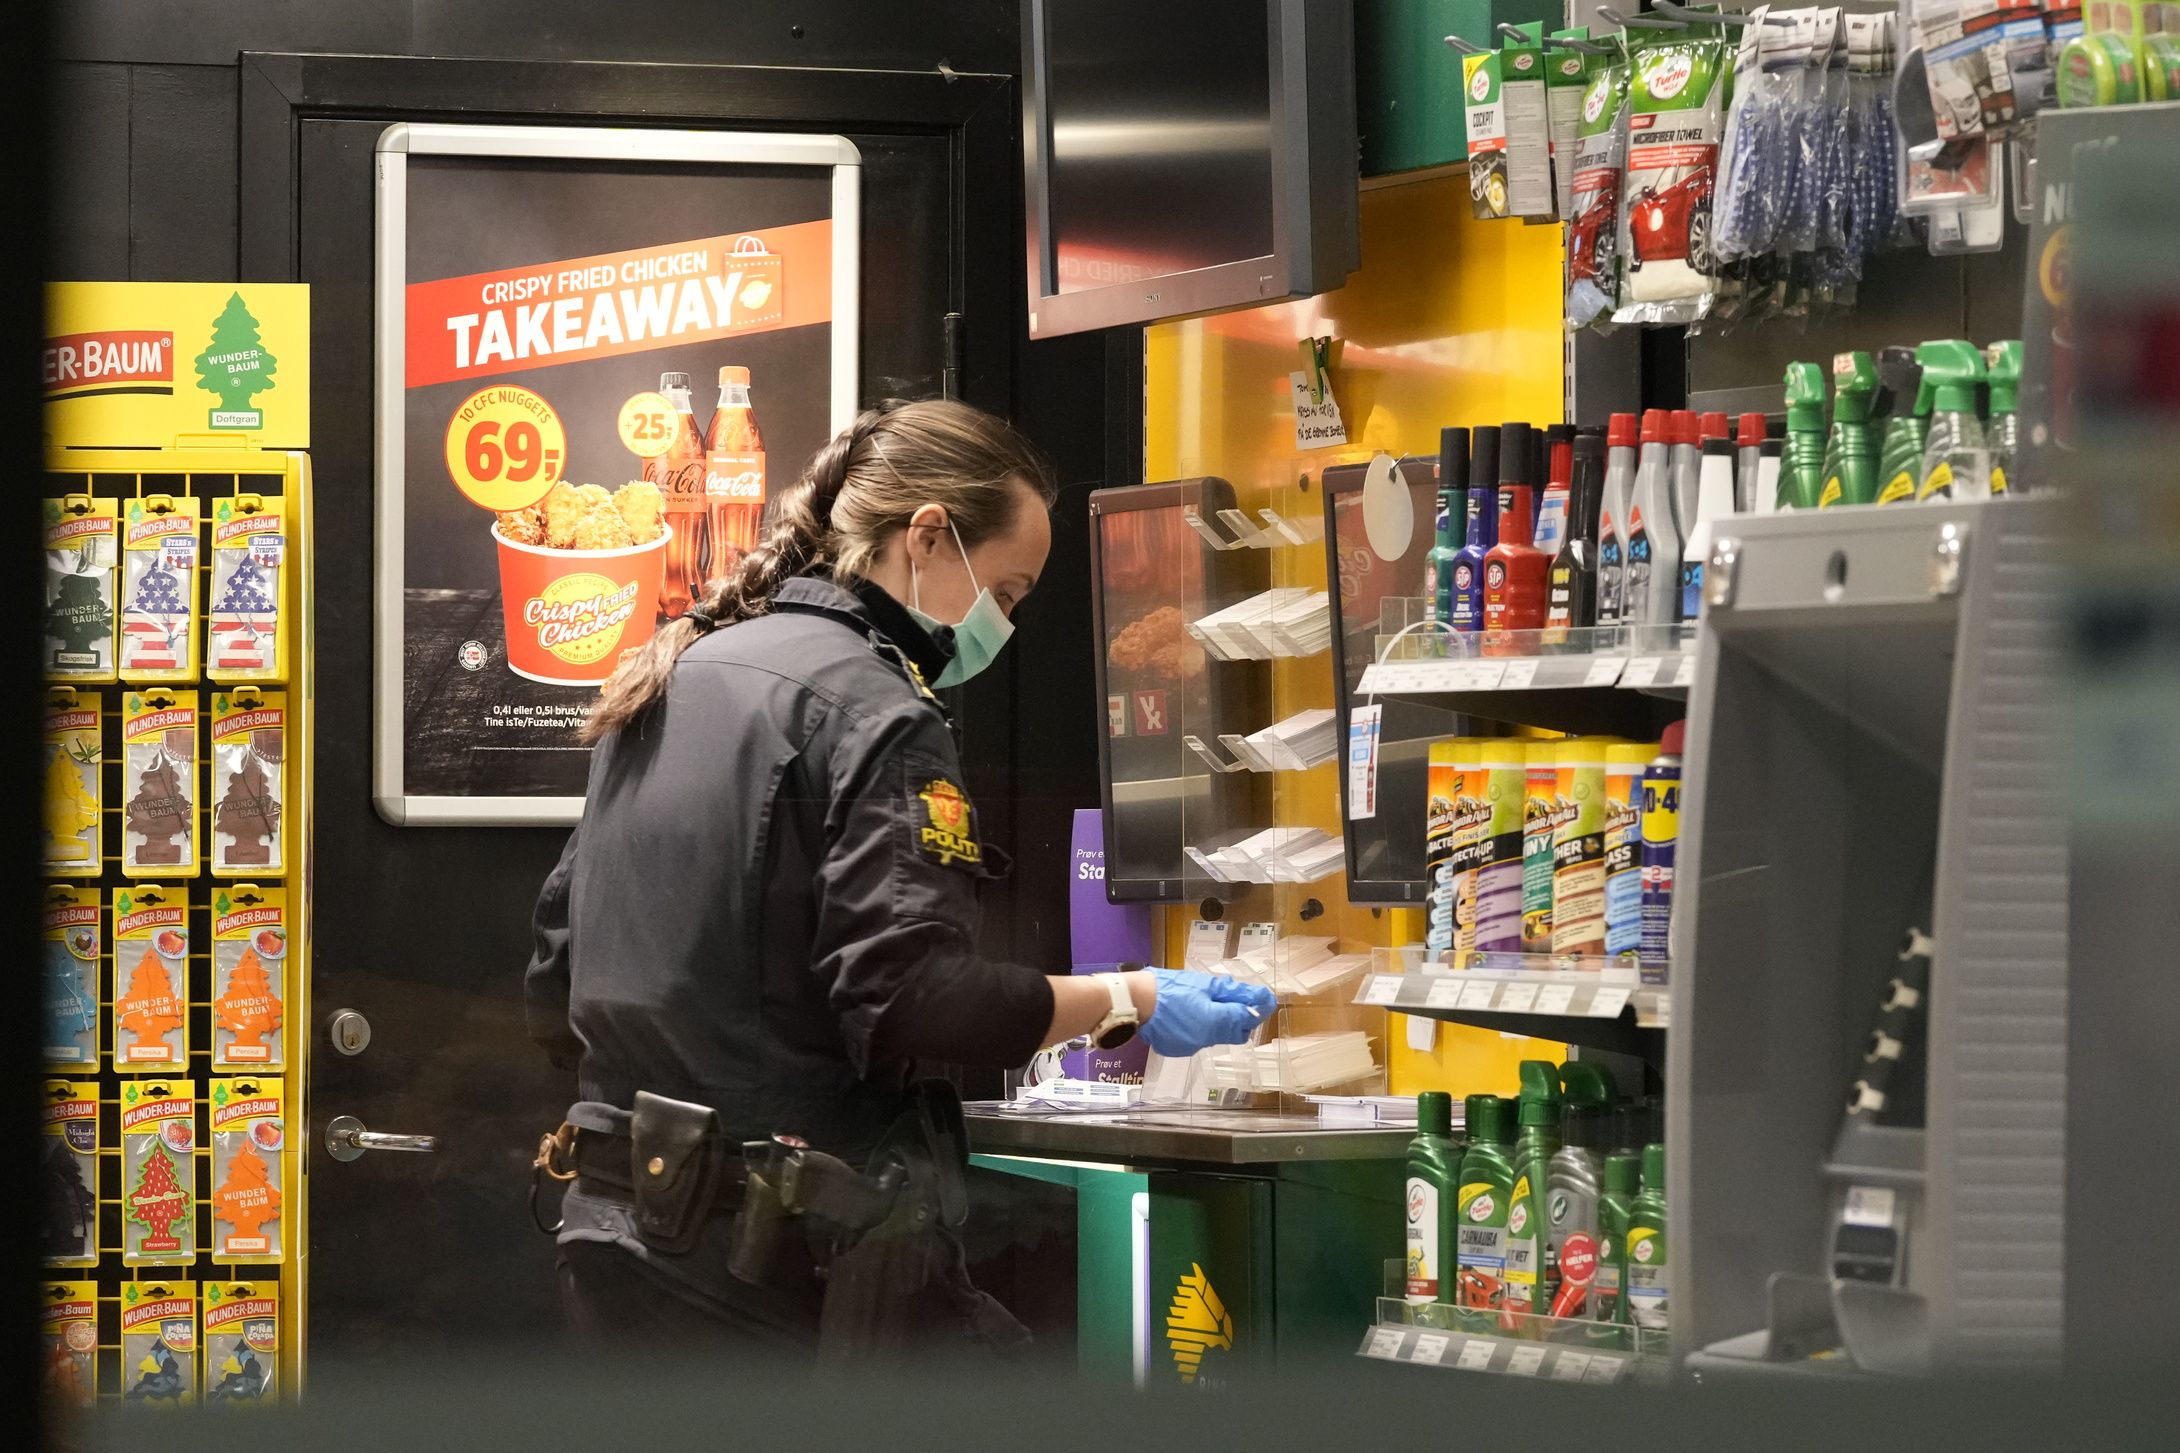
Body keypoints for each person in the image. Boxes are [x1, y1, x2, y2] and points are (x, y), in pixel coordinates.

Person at [524, 397, 1274, 1360]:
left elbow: (554, 979)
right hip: (771, 1268)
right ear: (926, 537)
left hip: (615, 1245)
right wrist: (1127, 997)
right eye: (1007, 591)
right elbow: (916, 1001)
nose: (1006, 623)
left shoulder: (671, 676)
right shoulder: (876, 712)